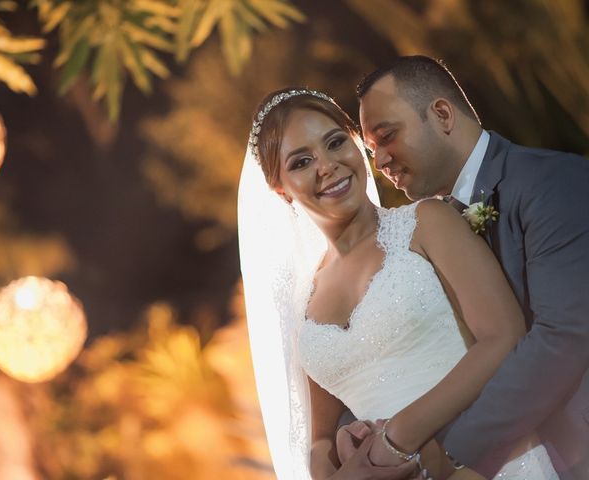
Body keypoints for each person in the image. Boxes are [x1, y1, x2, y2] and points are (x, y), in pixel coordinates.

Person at [238, 88, 556, 479]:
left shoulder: (426, 222)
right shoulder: (305, 299)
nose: (327, 166)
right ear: (280, 189)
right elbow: (320, 438)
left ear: (358, 145)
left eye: (336, 142)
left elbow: (504, 337)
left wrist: (396, 440)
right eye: (302, 162)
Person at [355, 55, 589, 480]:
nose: (381, 163)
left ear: (442, 114)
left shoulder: (551, 181)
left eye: (386, 136)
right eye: (371, 152)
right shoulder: (438, 227)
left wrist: (456, 456)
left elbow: (564, 336)